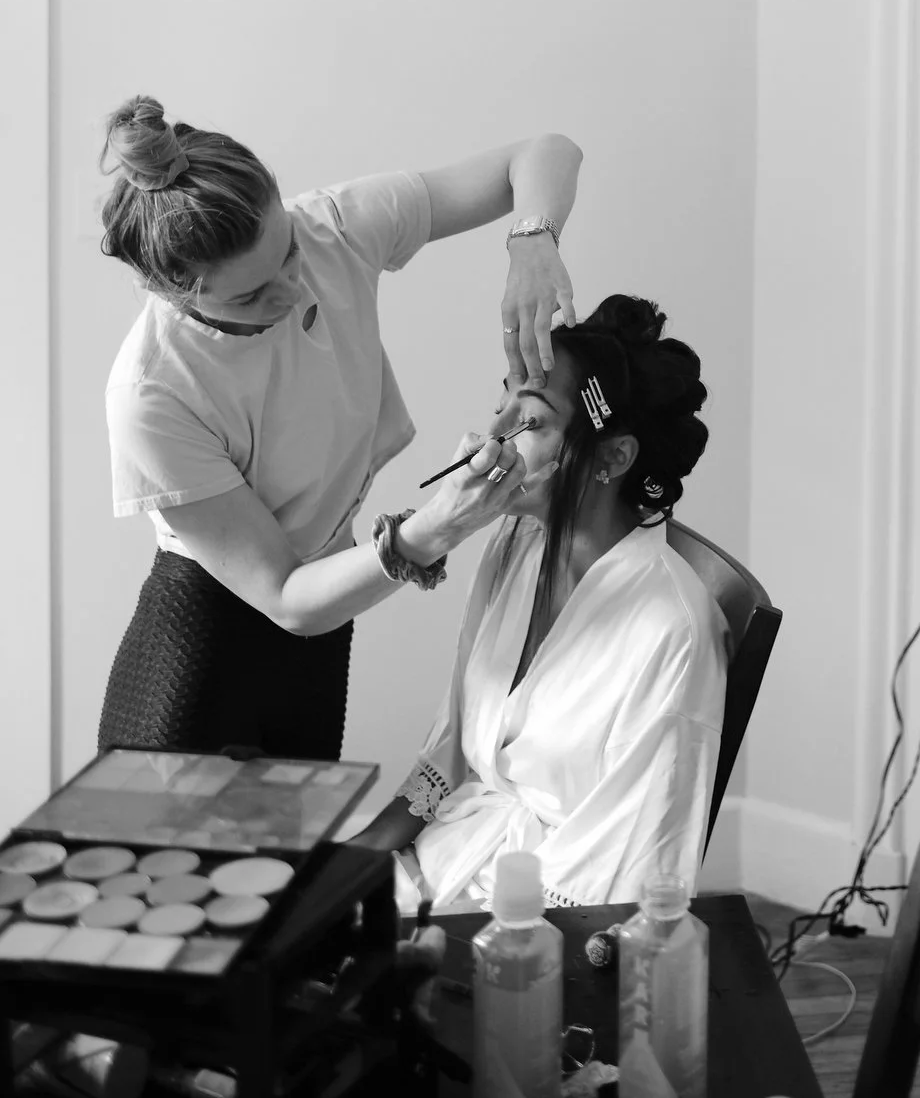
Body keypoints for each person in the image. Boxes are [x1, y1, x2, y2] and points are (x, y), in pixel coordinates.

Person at [98, 93, 582, 762]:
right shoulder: (153, 394)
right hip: (203, 646)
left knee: (303, 857)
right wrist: (436, 527)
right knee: (167, 862)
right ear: (171, 292)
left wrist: (533, 242)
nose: (294, 288)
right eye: (251, 295)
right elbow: (288, 600)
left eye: (288, 253)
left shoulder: (334, 226)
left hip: (325, 624)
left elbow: (544, 152)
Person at [356, 295, 726, 912]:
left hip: (528, 929)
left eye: (527, 422)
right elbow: (452, 745)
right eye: (501, 403)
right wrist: (362, 851)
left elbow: (618, 879)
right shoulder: (517, 542)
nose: (490, 435)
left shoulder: (671, 634)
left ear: (613, 456)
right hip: (440, 865)